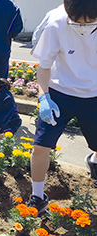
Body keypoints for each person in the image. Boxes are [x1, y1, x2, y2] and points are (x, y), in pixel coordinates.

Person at [28, 0, 97, 212]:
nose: (83, 28)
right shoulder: (56, 21)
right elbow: (44, 67)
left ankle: (93, 160)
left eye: (90, 23)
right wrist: (43, 98)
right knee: (40, 146)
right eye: (77, 23)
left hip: (94, 94)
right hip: (60, 93)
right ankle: (37, 196)